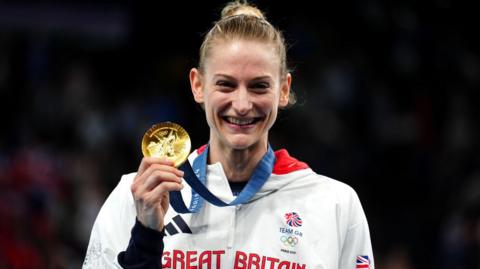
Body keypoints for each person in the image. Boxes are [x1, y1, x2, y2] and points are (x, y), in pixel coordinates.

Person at [83, 1, 375, 268]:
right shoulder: (138, 195)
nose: (242, 105)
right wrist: (146, 234)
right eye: (225, 85)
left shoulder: (335, 205)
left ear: (284, 90)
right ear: (198, 85)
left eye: (259, 86)